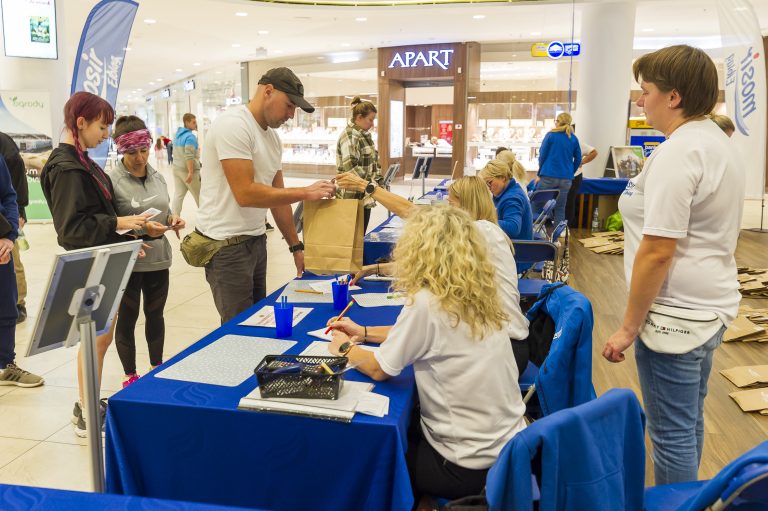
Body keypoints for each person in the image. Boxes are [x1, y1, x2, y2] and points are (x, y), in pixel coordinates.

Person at [602, 45, 745, 485]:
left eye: (645, 92)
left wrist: (628, 326)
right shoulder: (710, 142)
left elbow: (658, 249)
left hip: (675, 316)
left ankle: (676, 501)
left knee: (671, 435)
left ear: (674, 97)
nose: (640, 100)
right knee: (688, 423)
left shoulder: (682, 152)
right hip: (706, 306)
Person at [327, 205, 526, 510]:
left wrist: (344, 348)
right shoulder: (479, 294)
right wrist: (363, 332)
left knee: (379, 456)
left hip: (463, 466)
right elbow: (425, 334)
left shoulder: (426, 303)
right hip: (511, 454)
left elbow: (380, 369)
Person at [41, 91, 165, 437]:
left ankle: (89, 402)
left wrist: (129, 236)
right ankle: (85, 409)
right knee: (94, 338)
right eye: (101, 126)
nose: (105, 134)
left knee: (99, 338)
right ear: (80, 123)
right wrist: (120, 225)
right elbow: (73, 229)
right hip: (87, 265)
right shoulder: (67, 167)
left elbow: (96, 217)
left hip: (102, 259)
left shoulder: (82, 162)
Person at [338, 173, 530, 373]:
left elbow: (414, 213)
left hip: (502, 350)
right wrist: (376, 270)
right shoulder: (488, 233)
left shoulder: (478, 232)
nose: (445, 212)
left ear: (465, 207)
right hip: (502, 343)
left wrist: (367, 187)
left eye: (451, 205)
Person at [196, 67, 336, 324]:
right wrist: (306, 192)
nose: (291, 115)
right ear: (268, 91)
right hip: (226, 246)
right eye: (289, 106)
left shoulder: (272, 138)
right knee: (237, 331)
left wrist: (296, 247)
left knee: (258, 322)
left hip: (255, 241)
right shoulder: (233, 124)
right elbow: (245, 193)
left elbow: (278, 197)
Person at [108, 116, 185, 388]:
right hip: (128, 262)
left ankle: (156, 367)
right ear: (120, 149)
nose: (139, 157)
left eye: (143, 150)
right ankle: (130, 376)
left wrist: (173, 218)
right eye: (131, 152)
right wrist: (140, 232)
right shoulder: (110, 180)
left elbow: (165, 210)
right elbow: (107, 226)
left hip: (158, 260)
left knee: (156, 315)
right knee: (128, 319)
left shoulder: (157, 176)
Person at [0, 155, 43, 387]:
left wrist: (9, 236)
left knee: (7, 305)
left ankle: (5, 365)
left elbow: (8, 195)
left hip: (2, 243)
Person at [335, 97, 384, 233]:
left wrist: (378, 181)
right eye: (370, 119)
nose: (373, 124)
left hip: (363, 194)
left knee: (360, 239)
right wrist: (372, 184)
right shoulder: (351, 135)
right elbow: (350, 169)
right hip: (351, 198)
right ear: (359, 117)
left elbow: (373, 163)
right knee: (351, 241)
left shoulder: (363, 135)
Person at [0, 132, 29, 323]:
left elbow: (13, 187)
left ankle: (19, 303)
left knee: (13, 258)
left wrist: (19, 213)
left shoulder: (5, 146)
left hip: (7, 219)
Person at [533, 112, 581, 226]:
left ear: (558, 122)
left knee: (536, 204)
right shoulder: (573, 138)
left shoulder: (551, 135)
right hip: (566, 179)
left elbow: (542, 155)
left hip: (548, 175)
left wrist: (539, 173)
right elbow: (578, 158)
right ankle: (558, 236)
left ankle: (531, 232)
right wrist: (571, 172)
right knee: (560, 208)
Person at [478, 159, 533, 240]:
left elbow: (513, 228)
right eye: (485, 184)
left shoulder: (512, 198)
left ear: (503, 178)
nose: (488, 187)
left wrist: (485, 220)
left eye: (490, 182)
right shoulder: (504, 192)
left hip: (517, 248)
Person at [566, 127, 598, 227]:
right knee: (562, 202)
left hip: (574, 176)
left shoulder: (577, 142)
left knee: (569, 202)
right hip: (563, 176)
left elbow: (594, 152)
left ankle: (567, 226)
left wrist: (581, 162)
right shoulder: (559, 142)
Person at [172, 113, 201, 215]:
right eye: (193, 122)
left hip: (176, 168)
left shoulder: (177, 135)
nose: (195, 124)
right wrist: (190, 172)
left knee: (178, 195)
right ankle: (207, 219)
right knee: (199, 195)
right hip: (188, 171)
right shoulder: (190, 137)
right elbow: (189, 156)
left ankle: (175, 217)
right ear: (186, 122)